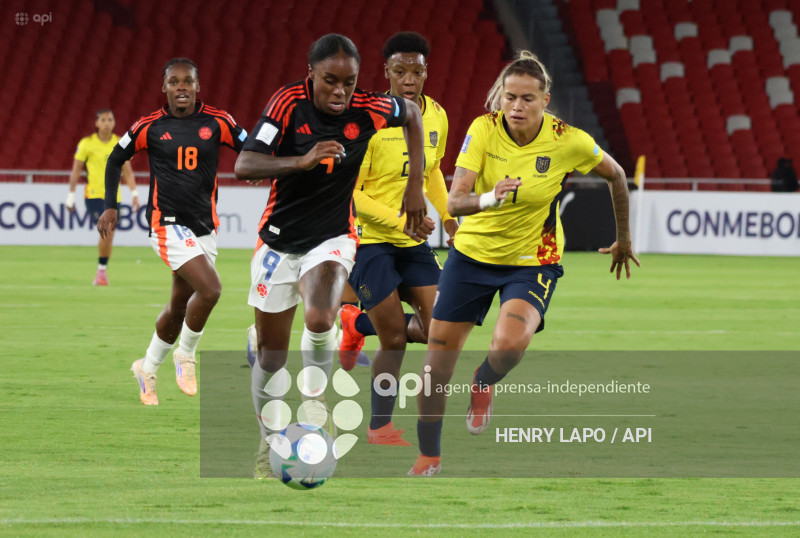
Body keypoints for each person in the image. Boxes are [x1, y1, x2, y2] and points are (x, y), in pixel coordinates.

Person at [408, 51, 641, 476]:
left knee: (510, 344)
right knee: (435, 365)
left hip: (533, 260)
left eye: (527, 98)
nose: (516, 106)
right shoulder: (483, 130)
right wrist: (490, 197)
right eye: (509, 96)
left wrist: (624, 238)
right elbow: (456, 200)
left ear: (545, 100)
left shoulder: (567, 139)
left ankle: (482, 384)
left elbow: (618, 175)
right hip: (472, 255)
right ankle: (429, 456)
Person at [234, 33, 426, 479]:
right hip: (279, 239)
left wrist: (415, 185)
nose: (341, 92)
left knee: (320, 317)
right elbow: (245, 165)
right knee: (271, 359)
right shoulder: (287, 103)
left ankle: (314, 407)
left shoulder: (371, 108)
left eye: (349, 82)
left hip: (333, 236)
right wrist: (298, 161)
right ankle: (269, 441)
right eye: (330, 81)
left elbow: (412, 114)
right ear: (311, 76)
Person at [97, 58, 246, 405]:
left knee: (180, 306)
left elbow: (252, 147)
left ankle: (146, 369)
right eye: (175, 82)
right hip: (166, 224)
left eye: (188, 81)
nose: (182, 87)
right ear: (164, 88)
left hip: (205, 227)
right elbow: (114, 159)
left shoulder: (219, 121)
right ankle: (186, 355)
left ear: (198, 87)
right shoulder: (149, 126)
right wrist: (110, 204)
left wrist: (254, 165)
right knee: (210, 290)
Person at [337, 31, 459, 446]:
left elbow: (434, 171)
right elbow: (351, 194)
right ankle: (379, 428)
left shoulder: (437, 116)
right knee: (393, 340)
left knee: (440, 331)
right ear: (385, 72)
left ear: (427, 72)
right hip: (370, 241)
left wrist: (448, 215)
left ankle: (356, 323)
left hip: (413, 243)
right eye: (400, 71)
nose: (410, 79)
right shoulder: (368, 121)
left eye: (417, 71)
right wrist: (401, 218)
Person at [67, 109, 139, 286]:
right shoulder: (87, 144)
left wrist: (135, 194)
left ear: (114, 123)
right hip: (93, 195)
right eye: (103, 120)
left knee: (110, 234)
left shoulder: (119, 143)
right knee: (107, 229)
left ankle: (102, 270)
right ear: (97, 123)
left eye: (110, 119)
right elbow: (76, 171)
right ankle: (101, 272)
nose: (107, 123)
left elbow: (127, 172)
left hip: (114, 197)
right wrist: (71, 195)